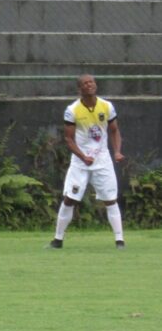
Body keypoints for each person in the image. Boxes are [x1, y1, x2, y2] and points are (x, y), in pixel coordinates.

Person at [49, 74, 125, 249]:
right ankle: (57, 240)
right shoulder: (72, 110)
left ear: (95, 85)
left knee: (110, 199)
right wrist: (83, 157)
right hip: (80, 163)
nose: (89, 85)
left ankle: (119, 240)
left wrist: (118, 151)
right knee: (69, 199)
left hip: (103, 161)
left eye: (92, 82)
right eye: (85, 83)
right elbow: (69, 139)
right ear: (80, 89)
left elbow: (114, 131)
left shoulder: (106, 106)